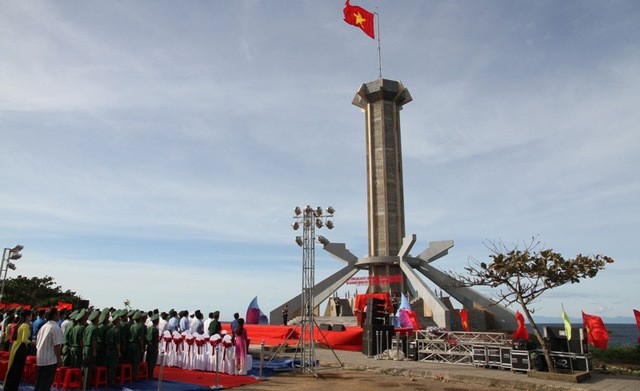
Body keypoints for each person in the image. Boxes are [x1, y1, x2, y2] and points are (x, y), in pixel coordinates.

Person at [34, 307, 63, 391]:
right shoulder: (55, 327)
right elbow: (57, 345)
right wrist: (59, 359)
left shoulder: (44, 327)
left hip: (41, 358)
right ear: (54, 315)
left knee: (39, 382)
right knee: (45, 384)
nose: (59, 315)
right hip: (50, 360)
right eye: (58, 313)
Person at [4, 309, 33, 391]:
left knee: (12, 369)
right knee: (17, 371)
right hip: (21, 348)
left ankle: (8, 387)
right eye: (31, 315)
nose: (31, 317)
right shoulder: (26, 326)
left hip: (15, 347)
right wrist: (32, 343)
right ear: (27, 316)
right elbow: (24, 339)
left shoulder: (19, 324)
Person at [104, 310, 121, 388]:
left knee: (109, 365)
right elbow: (117, 343)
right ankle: (111, 381)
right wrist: (119, 352)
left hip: (108, 350)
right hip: (114, 351)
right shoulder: (116, 331)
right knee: (113, 366)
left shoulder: (109, 330)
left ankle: (108, 379)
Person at [145, 314, 160, 379]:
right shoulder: (155, 330)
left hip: (149, 346)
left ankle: (147, 374)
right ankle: (150, 375)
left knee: (148, 360)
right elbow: (156, 340)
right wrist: (157, 348)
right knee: (153, 361)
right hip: (153, 347)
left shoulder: (148, 328)